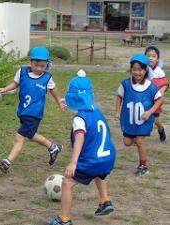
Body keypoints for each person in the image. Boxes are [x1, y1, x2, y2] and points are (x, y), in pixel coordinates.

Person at [46, 70, 116, 225]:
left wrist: (73, 163)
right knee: (100, 173)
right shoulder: (97, 111)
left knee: (67, 183)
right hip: (108, 158)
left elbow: (79, 138)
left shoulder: (79, 119)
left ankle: (64, 219)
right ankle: (105, 200)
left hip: (92, 161)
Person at [0, 46, 65, 174]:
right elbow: (15, 83)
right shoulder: (22, 72)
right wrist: (5, 89)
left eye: (42, 66)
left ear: (47, 64)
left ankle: (7, 162)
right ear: (30, 62)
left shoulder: (47, 78)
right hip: (23, 112)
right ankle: (53, 147)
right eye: (36, 65)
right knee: (31, 136)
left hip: (34, 114)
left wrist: (59, 100)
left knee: (19, 137)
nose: (39, 69)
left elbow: (53, 89)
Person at [115, 53, 162, 176]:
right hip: (129, 120)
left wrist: (150, 112)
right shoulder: (125, 84)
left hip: (143, 121)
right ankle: (138, 140)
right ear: (131, 70)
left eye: (140, 70)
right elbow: (119, 96)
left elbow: (159, 100)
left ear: (145, 70)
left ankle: (143, 165)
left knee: (140, 142)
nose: (137, 73)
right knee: (127, 142)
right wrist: (118, 111)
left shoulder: (151, 87)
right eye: (135, 69)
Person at [144, 45, 169, 142]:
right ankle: (139, 136)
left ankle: (161, 129)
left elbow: (164, 85)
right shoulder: (143, 68)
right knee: (140, 116)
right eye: (148, 55)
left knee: (156, 121)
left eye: (153, 56)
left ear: (157, 58)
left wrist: (160, 94)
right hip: (143, 98)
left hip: (155, 100)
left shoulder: (159, 72)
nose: (150, 58)